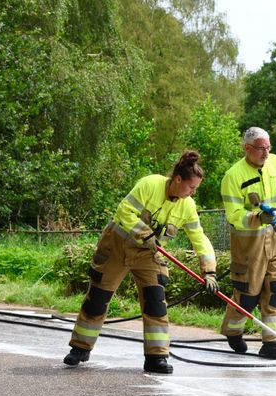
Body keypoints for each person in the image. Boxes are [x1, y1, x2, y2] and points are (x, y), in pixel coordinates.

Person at [63, 150, 219, 374]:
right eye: (191, 187)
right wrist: (145, 232)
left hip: (148, 253)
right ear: (178, 179)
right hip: (118, 244)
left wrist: (209, 271)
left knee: (155, 300)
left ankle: (157, 357)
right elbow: (124, 211)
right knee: (98, 297)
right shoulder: (150, 184)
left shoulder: (188, 206)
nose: (193, 192)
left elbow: (200, 239)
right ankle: (80, 347)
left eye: (195, 189)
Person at [220, 127, 276, 360]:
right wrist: (257, 218)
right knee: (248, 294)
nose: (266, 153)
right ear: (246, 148)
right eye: (260, 148)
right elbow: (233, 215)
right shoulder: (233, 176)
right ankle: (232, 330)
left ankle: (273, 343)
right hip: (249, 243)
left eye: (268, 147)